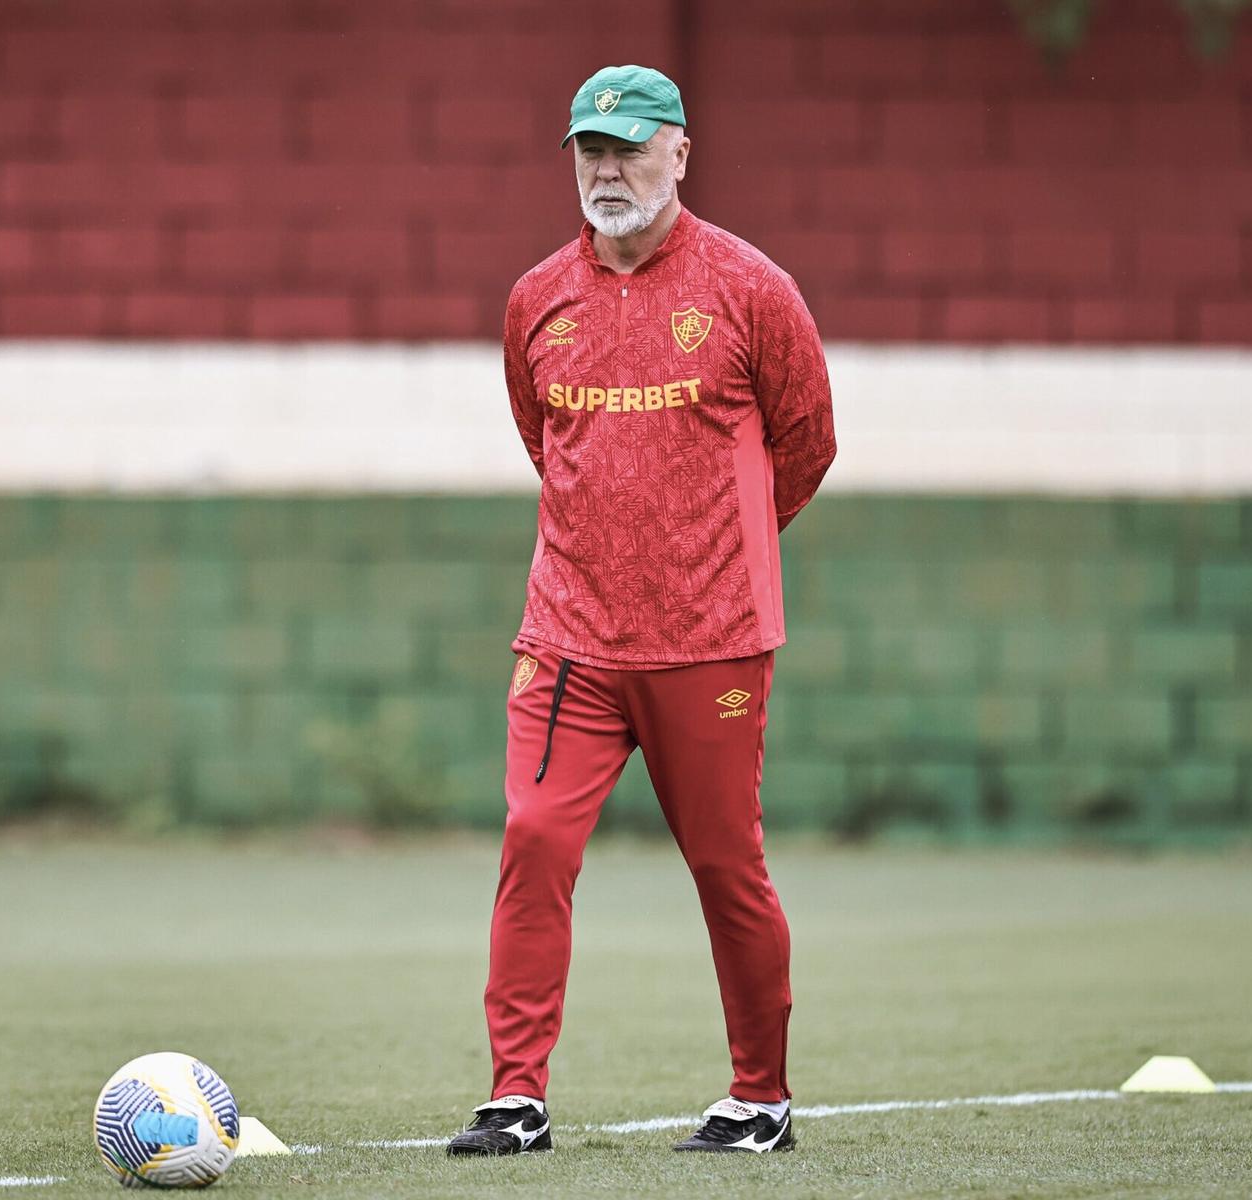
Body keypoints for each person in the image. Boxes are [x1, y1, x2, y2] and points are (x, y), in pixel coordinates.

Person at [446, 64, 836, 1158]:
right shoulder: (536, 298)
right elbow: (546, 444)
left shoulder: (751, 287)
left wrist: (714, 551)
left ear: (680, 153)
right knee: (532, 838)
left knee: (725, 864)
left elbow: (807, 443)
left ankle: (760, 1098)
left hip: (710, 644)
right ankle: (515, 1098)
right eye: (588, 151)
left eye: (626, 148)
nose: (606, 170)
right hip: (567, 638)